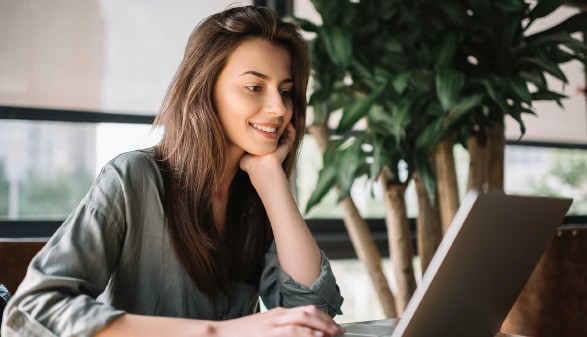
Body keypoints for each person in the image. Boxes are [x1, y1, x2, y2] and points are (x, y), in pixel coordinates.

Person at [1, 6, 344, 337]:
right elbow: (34, 307)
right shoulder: (132, 178)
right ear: (205, 90)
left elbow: (317, 313)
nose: (279, 108)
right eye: (255, 87)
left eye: (285, 91)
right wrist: (217, 332)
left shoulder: (257, 194)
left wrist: (274, 184)